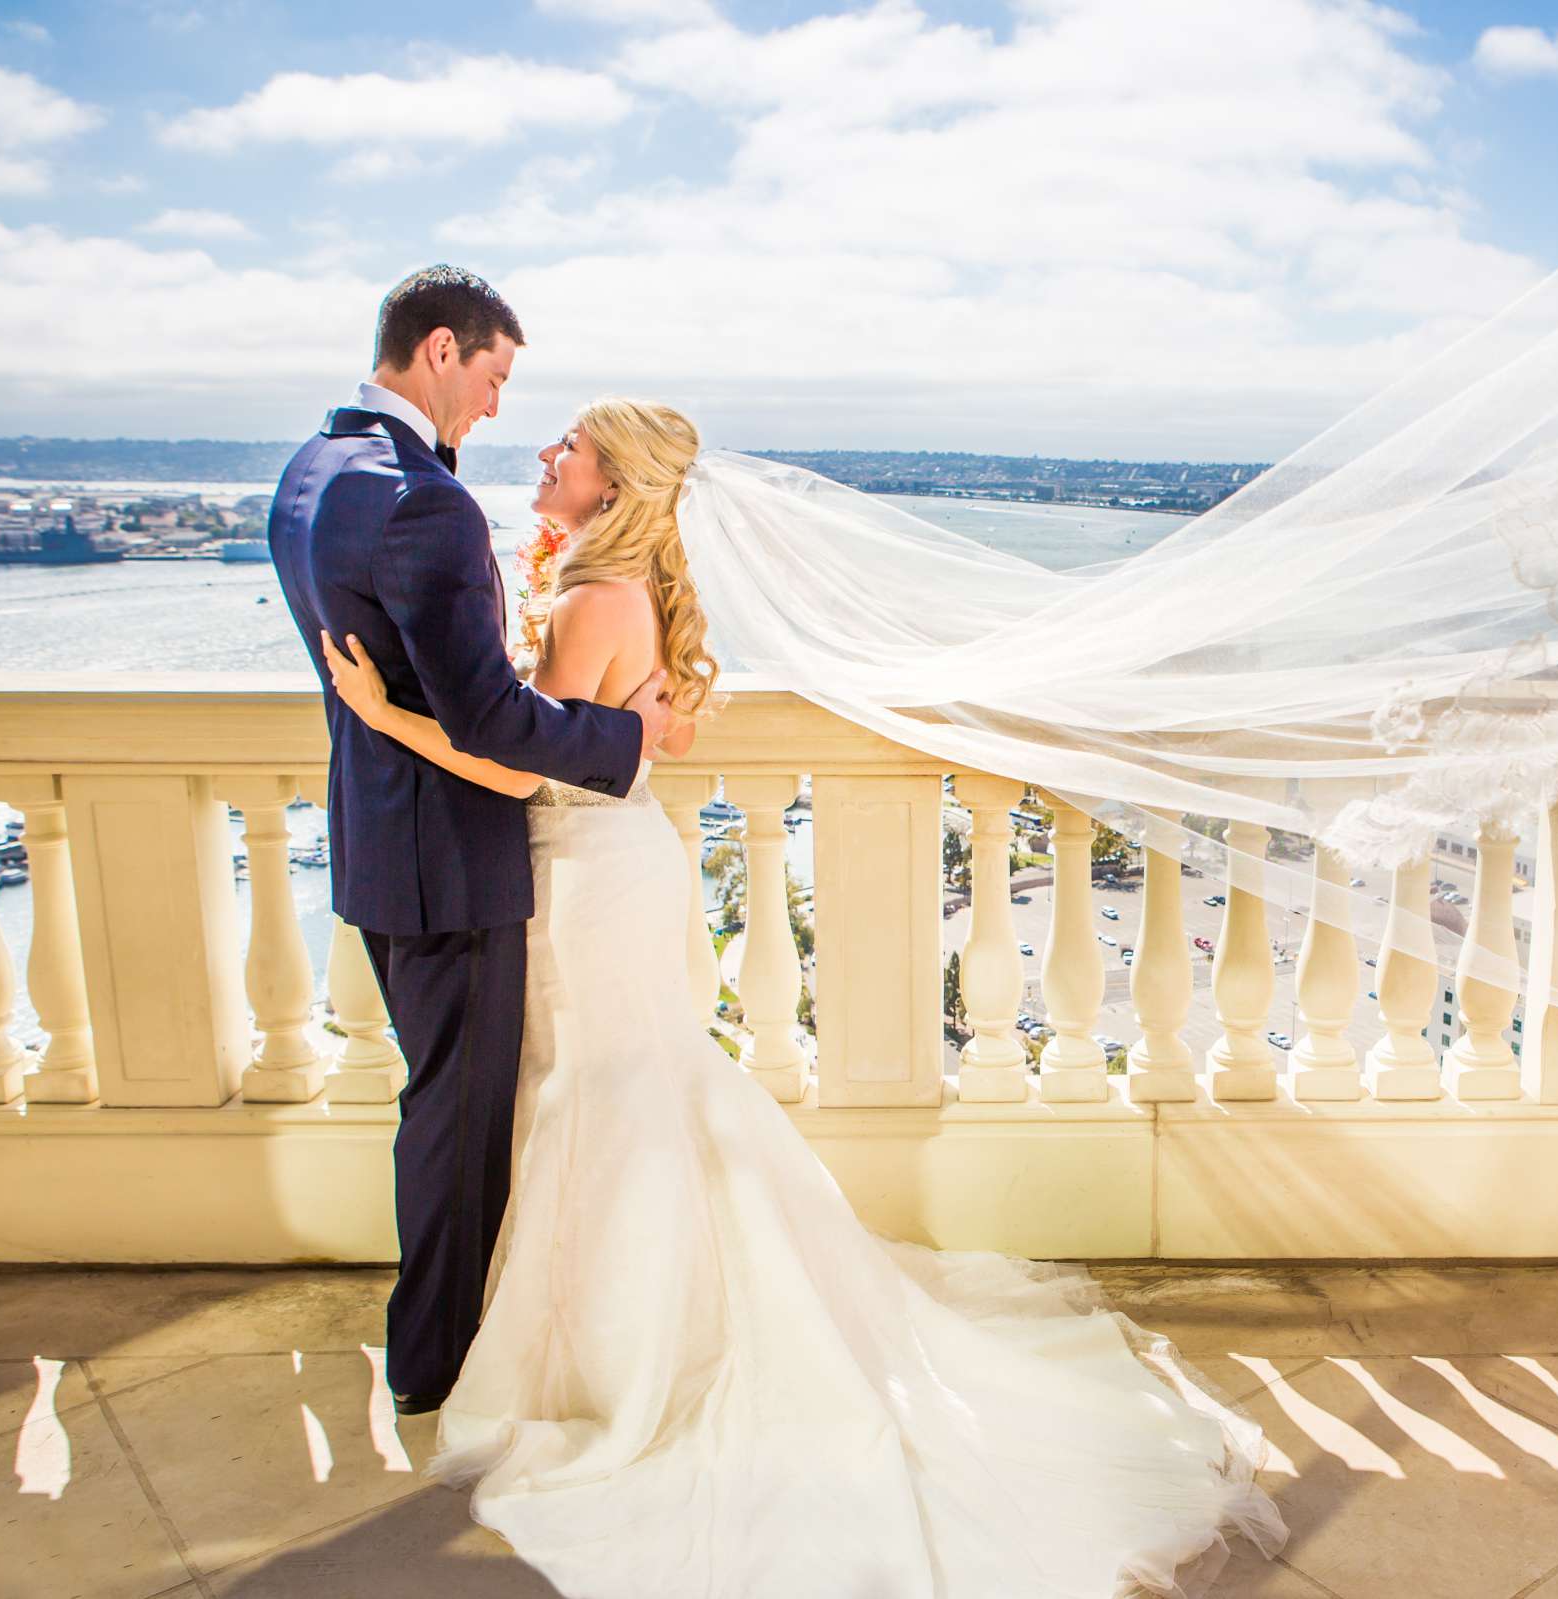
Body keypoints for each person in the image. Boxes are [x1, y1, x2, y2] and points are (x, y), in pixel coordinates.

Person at [318, 397, 1287, 1597]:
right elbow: (628, 736)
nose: (547, 456)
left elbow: (520, 760)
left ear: (613, 485)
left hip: (582, 876)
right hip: (617, 863)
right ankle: (624, 1332)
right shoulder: (618, 593)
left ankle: (618, 1361)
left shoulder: (589, 601)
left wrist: (384, 715)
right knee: (633, 1090)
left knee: (600, 1094)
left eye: (568, 447)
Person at [267, 266, 676, 1416]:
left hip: (383, 848)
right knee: (458, 1123)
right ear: (442, 351)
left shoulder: (311, 472)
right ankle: (437, 1362)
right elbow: (491, 722)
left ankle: (451, 1337)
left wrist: (395, 717)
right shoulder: (420, 499)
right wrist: (621, 740)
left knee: (443, 1106)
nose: (498, 411)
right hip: (456, 862)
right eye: (495, 377)